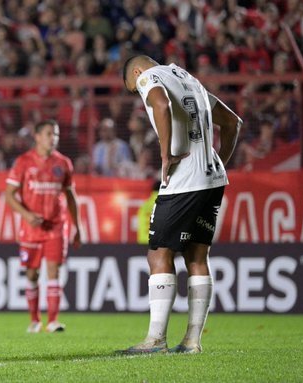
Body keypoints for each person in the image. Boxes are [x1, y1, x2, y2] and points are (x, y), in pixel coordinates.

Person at [120, 55, 241, 354]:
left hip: (183, 181)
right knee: (197, 257)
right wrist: (215, 165)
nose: (139, 93)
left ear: (136, 72)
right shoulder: (190, 80)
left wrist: (165, 154)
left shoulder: (150, 77)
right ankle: (191, 342)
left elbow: (161, 104)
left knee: (159, 254)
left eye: (134, 88)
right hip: (212, 180)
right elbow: (233, 123)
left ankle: (155, 340)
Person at [4, 120, 82, 333]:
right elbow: (9, 195)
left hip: (56, 226)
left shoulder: (63, 163)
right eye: (49, 134)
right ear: (37, 136)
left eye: (55, 134)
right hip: (30, 228)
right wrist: (27, 215)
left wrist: (77, 227)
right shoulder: (23, 162)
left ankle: (53, 321)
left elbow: (71, 197)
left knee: (54, 271)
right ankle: (34, 320)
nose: (53, 138)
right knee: (32, 275)